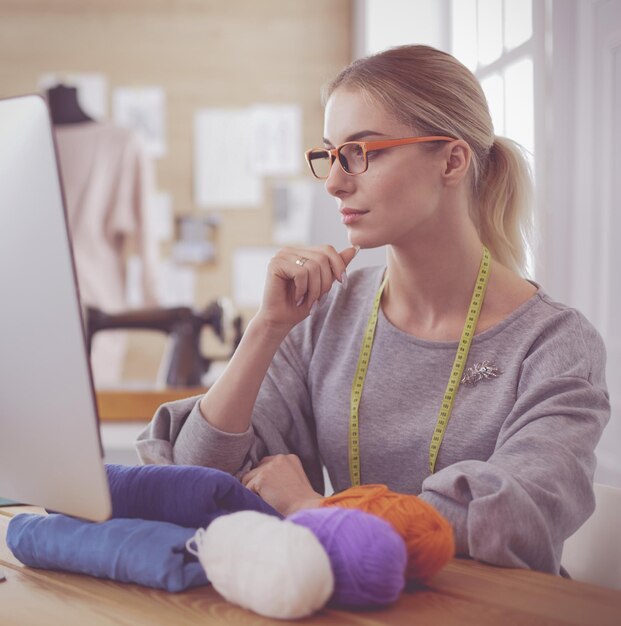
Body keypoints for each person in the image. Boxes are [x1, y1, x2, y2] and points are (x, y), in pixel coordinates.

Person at [137, 45, 610, 575]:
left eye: (365, 152)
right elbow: (193, 480)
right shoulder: (323, 316)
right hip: (355, 603)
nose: (336, 182)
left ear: (452, 160)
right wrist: (267, 329)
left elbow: (510, 519)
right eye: (331, 155)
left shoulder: (553, 342)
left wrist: (312, 508)